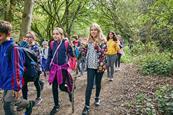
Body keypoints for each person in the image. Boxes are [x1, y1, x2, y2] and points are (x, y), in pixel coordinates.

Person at [0, 20, 35, 115]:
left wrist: (17, 87)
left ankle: (27, 104)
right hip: (4, 81)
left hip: (12, 83)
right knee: (13, 101)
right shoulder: (1, 47)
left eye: (0, 35)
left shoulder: (14, 49)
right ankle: (29, 104)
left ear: (8, 34)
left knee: (8, 106)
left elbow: (18, 70)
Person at [46, 27, 74, 115]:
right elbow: (49, 56)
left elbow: (72, 55)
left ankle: (70, 92)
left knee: (62, 87)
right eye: (53, 34)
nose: (55, 35)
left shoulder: (66, 43)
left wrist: (72, 47)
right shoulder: (51, 44)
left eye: (57, 34)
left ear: (61, 35)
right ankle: (56, 105)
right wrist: (47, 67)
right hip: (54, 68)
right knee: (54, 87)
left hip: (63, 69)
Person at [82, 23, 107, 115]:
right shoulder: (88, 41)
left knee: (98, 83)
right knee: (89, 86)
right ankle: (87, 106)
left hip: (99, 66)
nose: (93, 31)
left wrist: (97, 46)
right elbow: (84, 54)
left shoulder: (103, 41)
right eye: (91, 30)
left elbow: (103, 54)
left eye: (95, 30)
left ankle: (97, 97)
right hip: (90, 66)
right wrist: (83, 47)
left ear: (98, 31)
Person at [22, 31, 43, 106]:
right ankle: (24, 100)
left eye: (29, 37)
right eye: (26, 37)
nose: (27, 38)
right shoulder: (25, 46)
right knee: (24, 84)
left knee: (36, 83)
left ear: (33, 38)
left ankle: (39, 97)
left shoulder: (36, 47)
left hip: (35, 69)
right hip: (26, 68)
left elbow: (38, 59)